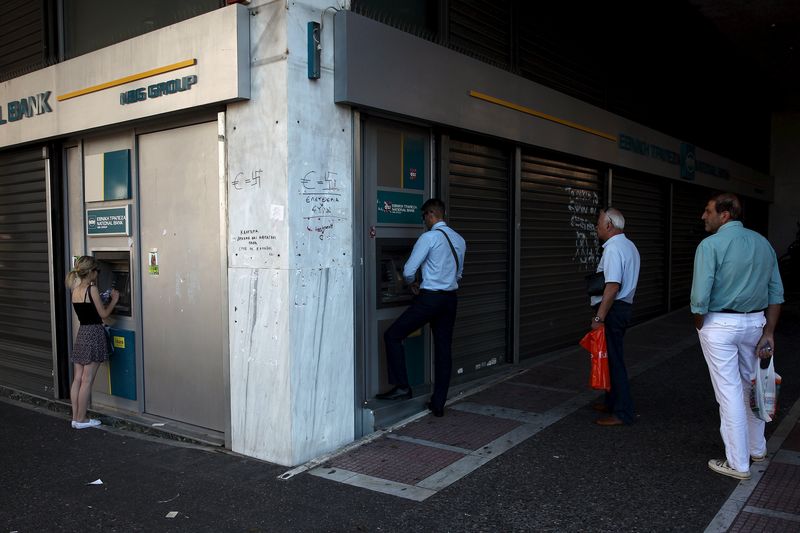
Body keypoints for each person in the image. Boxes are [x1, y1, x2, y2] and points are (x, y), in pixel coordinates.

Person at [691, 192, 784, 480]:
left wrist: (700, 324)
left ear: (725, 214)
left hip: (719, 323)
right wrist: (769, 331)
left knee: (729, 392)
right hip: (755, 323)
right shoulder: (763, 244)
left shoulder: (710, 245)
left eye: (708, 211)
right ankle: (756, 448)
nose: (703, 216)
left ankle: (737, 463)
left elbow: (699, 297)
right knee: (753, 385)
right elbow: (776, 291)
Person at [376, 198, 466, 417]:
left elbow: (408, 270)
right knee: (443, 350)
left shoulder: (429, 237)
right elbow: (458, 273)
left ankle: (402, 387)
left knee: (393, 335)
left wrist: (412, 284)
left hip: (430, 299)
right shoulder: (459, 239)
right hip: (450, 299)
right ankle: (438, 404)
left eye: (423, 217)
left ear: (431, 214)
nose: (423, 221)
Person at [589, 207, 640, 426]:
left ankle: (622, 412)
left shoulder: (613, 249)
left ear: (609, 225)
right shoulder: (629, 246)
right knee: (611, 359)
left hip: (613, 310)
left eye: (599, 223)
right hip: (622, 309)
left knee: (615, 362)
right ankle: (611, 402)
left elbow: (612, 286)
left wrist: (599, 318)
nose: (597, 226)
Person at [65, 256, 119, 429]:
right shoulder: (91, 289)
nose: (98, 274)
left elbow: (87, 311)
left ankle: (75, 417)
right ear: (92, 272)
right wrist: (114, 301)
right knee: (87, 380)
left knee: (78, 379)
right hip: (94, 333)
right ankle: (81, 420)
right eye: (98, 271)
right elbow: (103, 315)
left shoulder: (75, 289)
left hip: (82, 333)